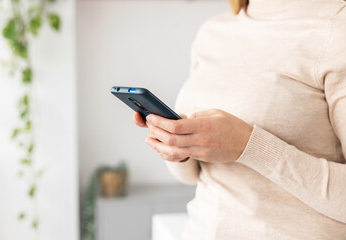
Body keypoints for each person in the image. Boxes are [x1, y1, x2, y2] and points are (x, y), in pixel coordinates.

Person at [133, 0, 346, 239]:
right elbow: (192, 177)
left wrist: (249, 146)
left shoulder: (337, 28)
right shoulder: (213, 31)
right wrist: (179, 149)